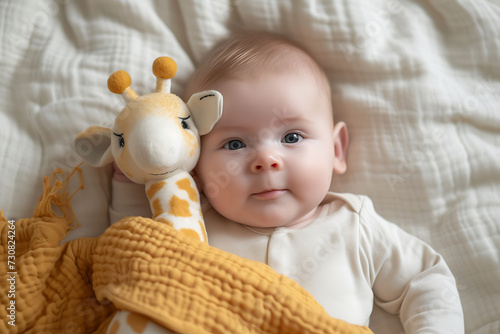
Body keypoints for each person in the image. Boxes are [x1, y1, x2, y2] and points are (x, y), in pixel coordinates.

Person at [111, 31, 464, 333]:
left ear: (336, 149)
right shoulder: (195, 227)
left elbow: (426, 280)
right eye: (234, 144)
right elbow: (139, 251)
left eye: (292, 137)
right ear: (197, 169)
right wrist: (131, 181)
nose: (266, 159)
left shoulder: (354, 224)